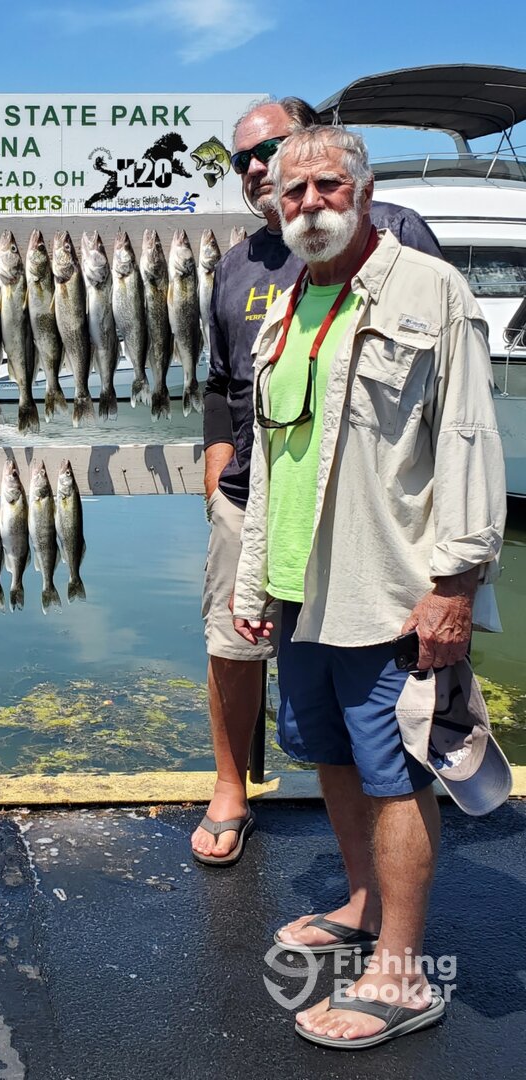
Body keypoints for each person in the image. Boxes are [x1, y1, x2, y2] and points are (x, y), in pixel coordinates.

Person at [233, 126, 505, 1047]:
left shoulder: (432, 290)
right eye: (292, 191)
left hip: (389, 588)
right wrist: (254, 582)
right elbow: (275, 463)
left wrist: (455, 586)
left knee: (396, 777)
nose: (308, 203)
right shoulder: (285, 309)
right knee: (334, 757)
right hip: (301, 586)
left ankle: (402, 974)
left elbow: (467, 441)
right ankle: (361, 905)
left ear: (364, 188)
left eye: (326, 186)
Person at [192, 99, 443, 866]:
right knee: (234, 646)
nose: (257, 169)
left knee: (374, 689)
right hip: (257, 501)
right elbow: (219, 381)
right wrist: (216, 463)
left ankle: (391, 853)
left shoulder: (395, 233)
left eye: (269, 149)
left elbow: (447, 387)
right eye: (242, 159)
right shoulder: (237, 264)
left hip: (369, 512)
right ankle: (230, 789)